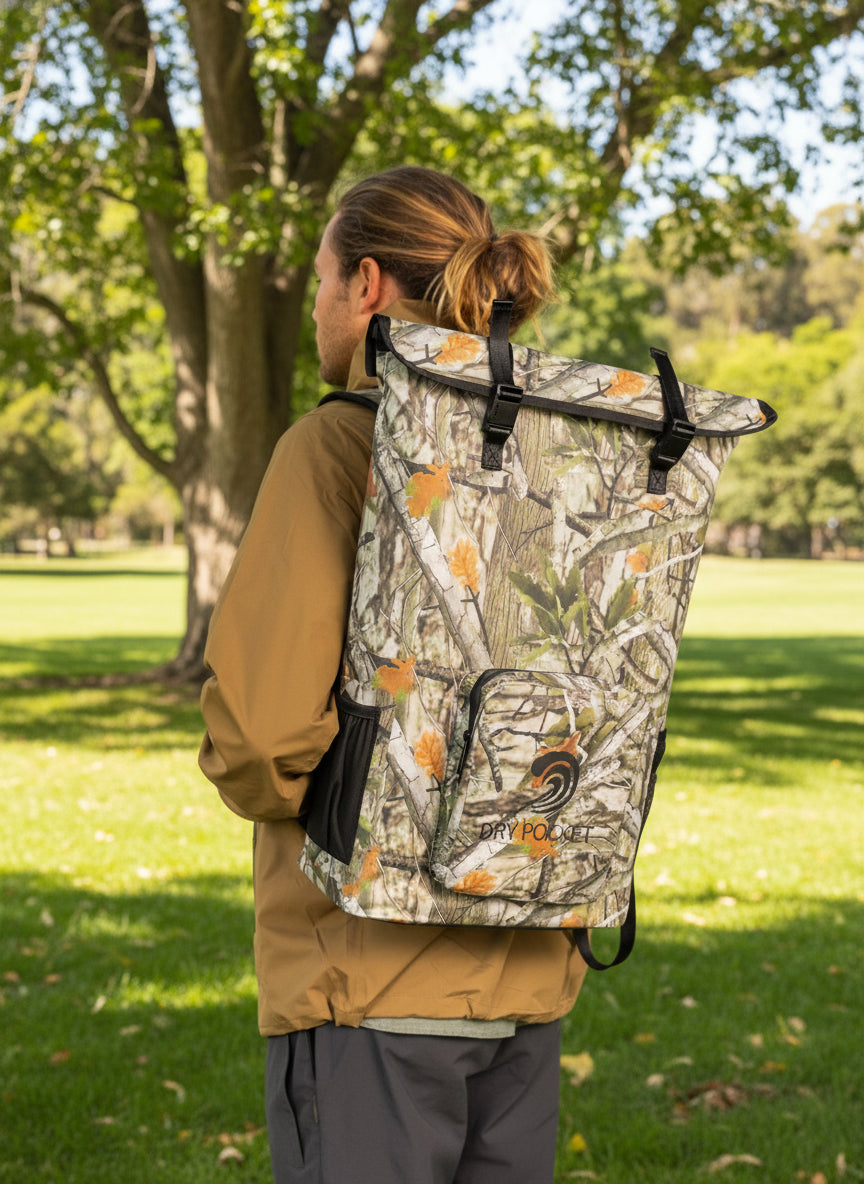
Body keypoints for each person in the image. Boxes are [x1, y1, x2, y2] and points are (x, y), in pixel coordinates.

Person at [198, 166, 588, 1184]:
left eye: (325, 279)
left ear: (367, 285)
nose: (317, 305)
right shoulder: (561, 455)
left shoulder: (337, 445)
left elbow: (263, 739)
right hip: (525, 975)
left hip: (366, 982)